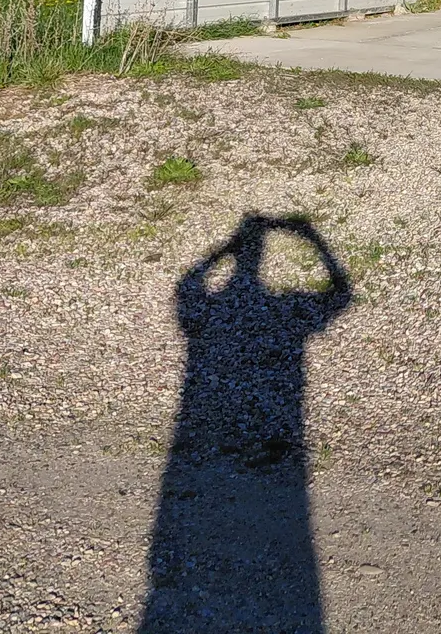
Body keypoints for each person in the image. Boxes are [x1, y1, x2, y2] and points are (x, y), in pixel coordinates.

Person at [140, 215, 352, 633]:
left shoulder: (211, 315)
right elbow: (340, 296)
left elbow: (186, 290)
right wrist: (312, 240)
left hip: (204, 418)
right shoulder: (290, 313)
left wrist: (224, 250)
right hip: (279, 416)